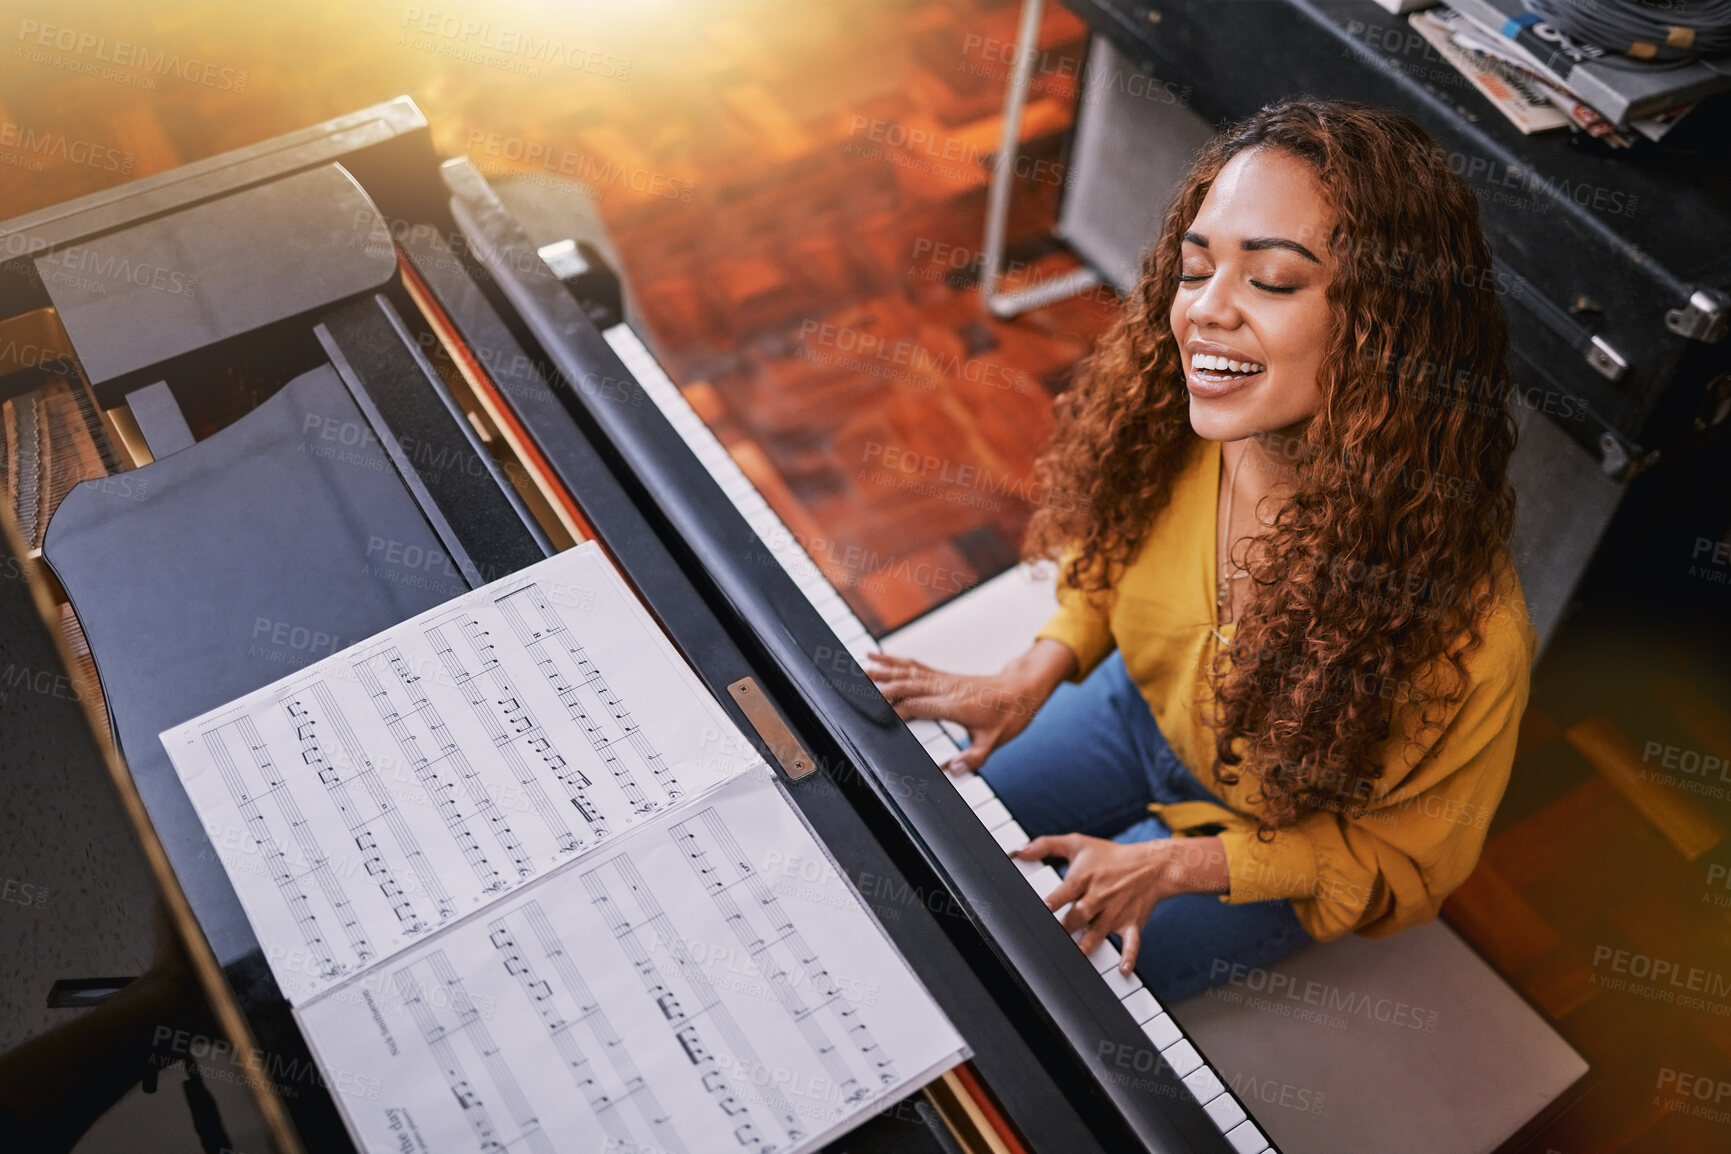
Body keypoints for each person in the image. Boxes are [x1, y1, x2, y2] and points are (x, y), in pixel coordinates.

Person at [867, 97, 1536, 1005]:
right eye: (1194, 267)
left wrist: (1178, 864)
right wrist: (1032, 671)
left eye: (1271, 281)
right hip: (1131, 707)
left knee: (1033, 984)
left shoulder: (1473, 636)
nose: (1204, 313)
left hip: (1274, 840)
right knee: (913, 828)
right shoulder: (1177, 425)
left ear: (1388, 328)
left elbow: (1395, 865)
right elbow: (1110, 559)